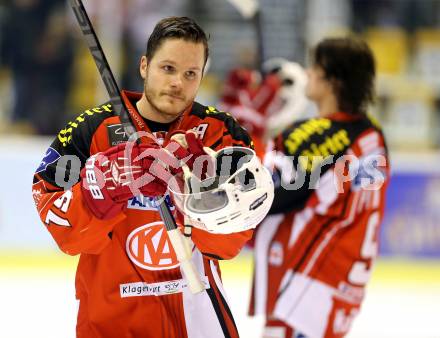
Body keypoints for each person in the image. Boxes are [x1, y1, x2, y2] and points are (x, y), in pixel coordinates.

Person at [32, 16, 268, 338]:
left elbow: (227, 246)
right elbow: (64, 232)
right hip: (110, 324)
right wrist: (103, 186)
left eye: (190, 74)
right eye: (168, 69)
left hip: (198, 321)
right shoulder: (89, 131)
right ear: (145, 66)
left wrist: (202, 188)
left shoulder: (219, 133)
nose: (177, 83)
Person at [248, 37, 390, 338]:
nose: (308, 73)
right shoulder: (373, 136)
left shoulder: (312, 139)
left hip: (304, 284)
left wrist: (252, 127)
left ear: (333, 81)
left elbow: (260, 196)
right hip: (341, 284)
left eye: (316, 68)